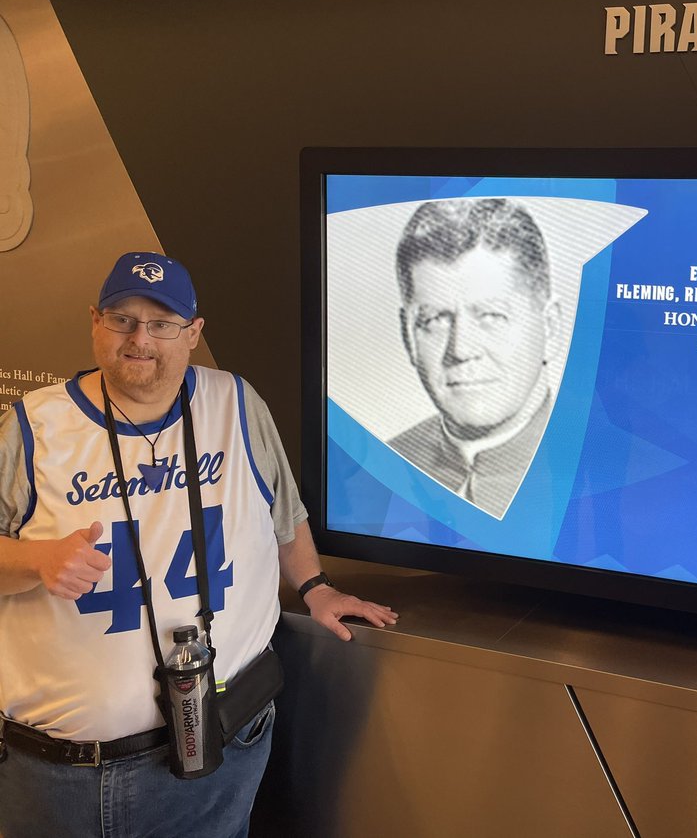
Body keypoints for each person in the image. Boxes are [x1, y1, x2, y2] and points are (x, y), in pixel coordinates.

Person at [0, 251, 398, 838]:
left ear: (193, 333)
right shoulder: (33, 427)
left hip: (221, 749)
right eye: (123, 320)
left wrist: (314, 587)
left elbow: (282, 514)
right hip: (68, 780)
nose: (141, 339)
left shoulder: (236, 403)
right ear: (94, 322)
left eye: (162, 324)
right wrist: (36, 559)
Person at [389, 198, 562, 519]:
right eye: (435, 320)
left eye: (491, 316)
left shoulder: (618, 471)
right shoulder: (381, 467)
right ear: (408, 336)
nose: (461, 350)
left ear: (550, 327)